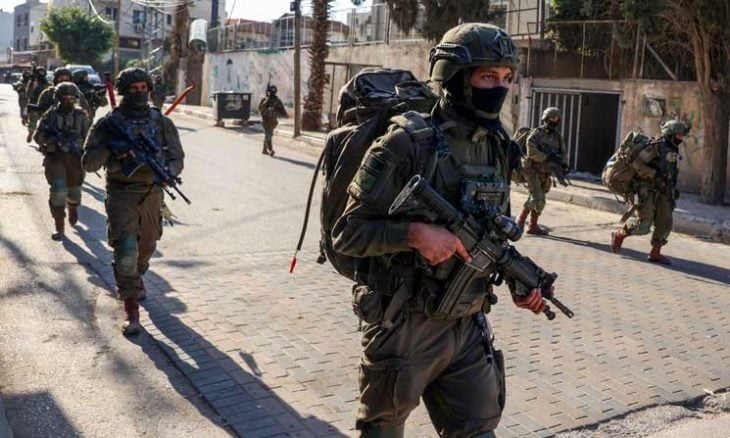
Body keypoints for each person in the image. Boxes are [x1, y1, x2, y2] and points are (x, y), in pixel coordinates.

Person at [331, 23, 549, 438]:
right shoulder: (406, 143)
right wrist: (414, 234)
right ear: (455, 77)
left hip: (467, 322)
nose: (500, 88)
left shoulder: (496, 145)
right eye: (488, 76)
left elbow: (492, 231)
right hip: (404, 324)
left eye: (506, 78)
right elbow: (348, 234)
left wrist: (518, 281)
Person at [82, 67, 185, 336]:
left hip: (152, 193)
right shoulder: (108, 124)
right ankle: (131, 309)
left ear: (149, 89)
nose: (139, 92)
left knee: (147, 246)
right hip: (121, 193)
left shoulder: (161, 121)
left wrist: (169, 173)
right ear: (123, 91)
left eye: (143, 88)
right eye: (133, 88)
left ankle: (136, 277)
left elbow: (177, 157)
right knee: (126, 249)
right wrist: (112, 147)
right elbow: (88, 163)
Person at [611, 120, 688, 265]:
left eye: (682, 136)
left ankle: (655, 253)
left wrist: (673, 188)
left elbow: (671, 171)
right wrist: (654, 175)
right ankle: (620, 233)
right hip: (645, 189)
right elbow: (637, 164)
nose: (681, 138)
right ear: (670, 135)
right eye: (678, 135)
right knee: (644, 224)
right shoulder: (655, 147)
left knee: (665, 221)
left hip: (664, 190)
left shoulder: (673, 149)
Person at [33, 82, 90, 241]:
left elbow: (90, 138)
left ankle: (73, 207)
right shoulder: (50, 115)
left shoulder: (81, 116)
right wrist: (50, 139)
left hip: (75, 159)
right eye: (64, 97)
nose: (68, 100)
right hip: (55, 158)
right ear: (58, 98)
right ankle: (59, 226)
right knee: (58, 190)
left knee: (74, 193)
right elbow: (38, 136)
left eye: (71, 97)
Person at [516, 107, 568, 235]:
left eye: (556, 118)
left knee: (542, 199)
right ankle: (520, 220)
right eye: (552, 118)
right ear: (545, 118)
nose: (554, 120)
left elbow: (563, 153)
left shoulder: (557, 137)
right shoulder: (536, 134)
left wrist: (564, 165)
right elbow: (531, 152)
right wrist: (547, 157)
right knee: (536, 196)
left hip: (545, 171)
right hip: (531, 169)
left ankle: (533, 225)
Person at [257, 84, 288, 156]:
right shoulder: (265, 100)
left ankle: (264, 149)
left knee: (268, 134)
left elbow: (282, 110)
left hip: (272, 120)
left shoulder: (276, 100)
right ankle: (270, 149)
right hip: (266, 120)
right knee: (269, 134)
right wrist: (268, 110)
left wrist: (285, 115)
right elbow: (260, 109)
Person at [26, 66, 50, 143]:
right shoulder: (32, 82)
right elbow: (28, 94)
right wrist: (33, 86)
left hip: (44, 104)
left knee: (45, 122)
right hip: (34, 103)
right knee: (33, 121)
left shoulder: (47, 83)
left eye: (43, 72)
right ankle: (31, 133)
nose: (42, 73)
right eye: (40, 72)